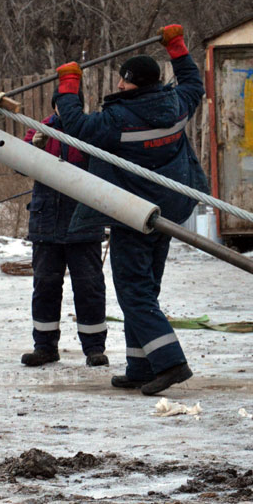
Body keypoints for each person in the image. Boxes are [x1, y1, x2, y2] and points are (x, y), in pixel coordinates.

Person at [51, 24, 209, 395]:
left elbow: (74, 124)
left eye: (123, 83)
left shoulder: (117, 121)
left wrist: (70, 85)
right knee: (146, 289)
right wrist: (178, 48)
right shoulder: (177, 106)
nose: (119, 87)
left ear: (133, 84)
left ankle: (170, 363)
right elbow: (193, 82)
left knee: (134, 291)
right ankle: (142, 366)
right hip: (169, 212)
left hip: (134, 214)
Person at [20, 103, 109, 368]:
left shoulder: (90, 131)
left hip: (83, 224)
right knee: (45, 286)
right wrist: (33, 147)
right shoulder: (40, 131)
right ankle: (44, 347)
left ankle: (94, 349)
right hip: (46, 223)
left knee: (89, 287)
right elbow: (18, 165)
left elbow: (104, 166)